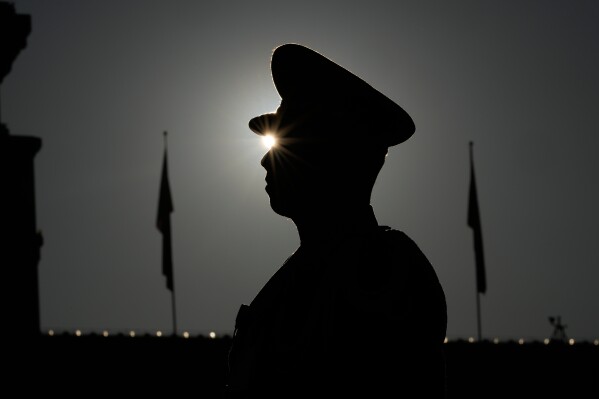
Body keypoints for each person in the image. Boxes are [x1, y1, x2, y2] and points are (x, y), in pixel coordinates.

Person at [225, 43, 447, 398]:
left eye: (287, 144)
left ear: (334, 157)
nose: (266, 162)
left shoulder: (379, 271)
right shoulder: (289, 282)